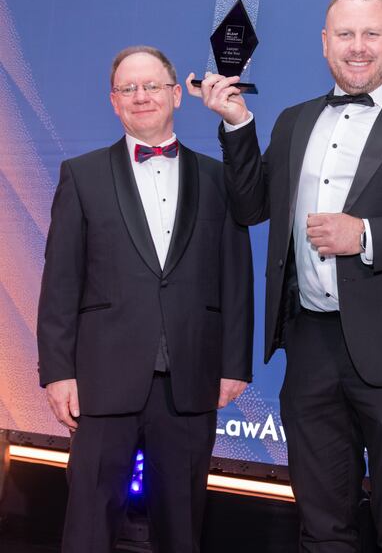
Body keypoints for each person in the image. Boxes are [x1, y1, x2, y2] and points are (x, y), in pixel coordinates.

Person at [188, 0, 382, 551]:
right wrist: (236, 122)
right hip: (311, 349)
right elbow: (252, 206)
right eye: (346, 35)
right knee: (322, 527)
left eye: (371, 34)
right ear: (325, 43)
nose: (359, 47)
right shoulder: (295, 121)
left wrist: (368, 236)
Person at [37, 45, 254, 553]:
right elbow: (61, 280)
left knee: (182, 529)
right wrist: (57, 372)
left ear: (177, 94)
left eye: (152, 85)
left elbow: (236, 274)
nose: (141, 96)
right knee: (87, 527)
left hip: (190, 381)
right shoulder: (81, 175)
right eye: (127, 88)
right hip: (99, 381)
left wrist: (235, 363)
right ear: (113, 102)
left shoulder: (220, 180)